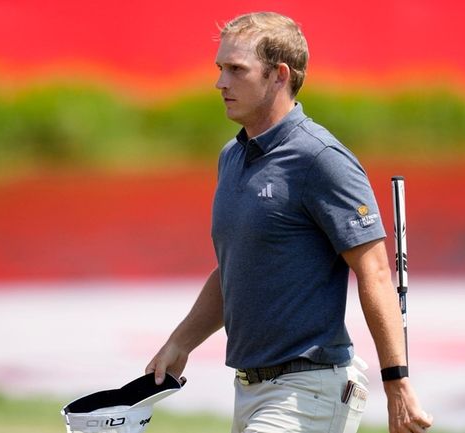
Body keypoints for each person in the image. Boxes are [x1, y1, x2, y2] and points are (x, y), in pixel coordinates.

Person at [145, 11, 434, 433]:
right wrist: (180, 342)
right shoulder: (232, 156)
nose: (220, 82)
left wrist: (397, 381)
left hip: (310, 392)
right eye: (219, 68)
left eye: (236, 69)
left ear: (279, 75)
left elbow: (373, 272)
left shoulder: (320, 159)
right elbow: (237, 268)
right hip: (249, 390)